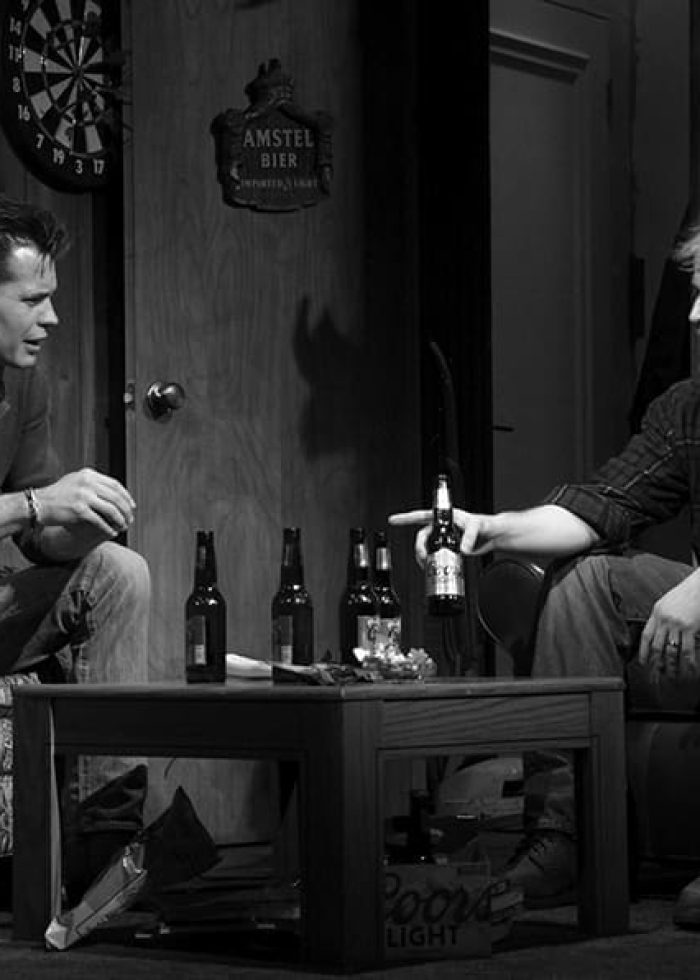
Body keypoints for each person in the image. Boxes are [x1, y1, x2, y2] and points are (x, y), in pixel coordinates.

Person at [390, 222, 700, 928]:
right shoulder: (687, 408)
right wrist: (490, 528)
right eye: (694, 295)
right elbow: (603, 506)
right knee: (582, 579)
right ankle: (567, 837)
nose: (693, 316)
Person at [0, 194, 150, 903]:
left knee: (119, 571)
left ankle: (103, 850)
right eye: (33, 299)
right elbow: (30, 506)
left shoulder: (19, 381)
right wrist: (37, 502)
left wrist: (81, 521)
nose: (51, 318)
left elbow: (39, 536)